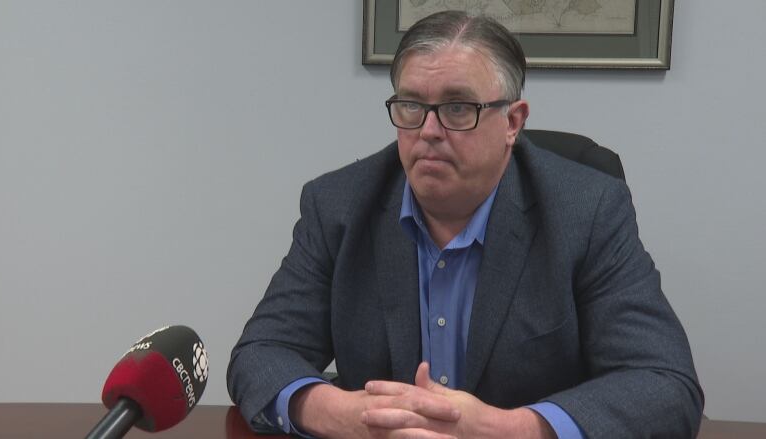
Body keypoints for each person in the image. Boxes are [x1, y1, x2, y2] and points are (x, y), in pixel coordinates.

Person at [227, 10, 703, 439]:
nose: (428, 131)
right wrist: (344, 414)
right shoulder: (339, 205)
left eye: (458, 108)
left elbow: (665, 385)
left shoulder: (587, 211)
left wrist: (510, 428)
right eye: (411, 105)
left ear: (513, 122)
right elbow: (260, 354)